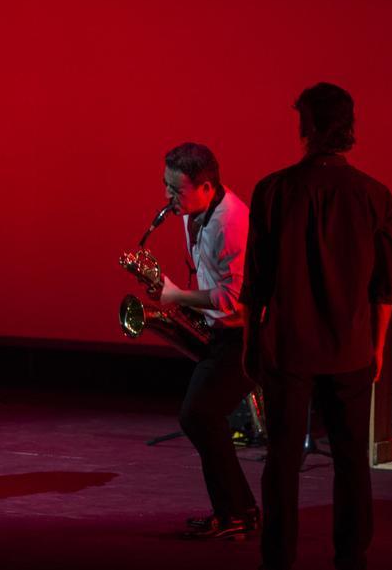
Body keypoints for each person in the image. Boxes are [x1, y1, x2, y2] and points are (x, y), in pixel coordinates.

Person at [242, 83, 392, 570]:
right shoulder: (375, 195)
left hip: (289, 347)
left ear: (306, 127)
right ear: (349, 127)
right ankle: (351, 555)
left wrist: (251, 342)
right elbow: (384, 287)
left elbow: (255, 283)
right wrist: (377, 347)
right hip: (349, 348)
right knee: (352, 459)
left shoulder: (274, 190)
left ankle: (278, 557)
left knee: (282, 459)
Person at [154, 143, 260, 539]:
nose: (168, 197)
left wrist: (178, 297)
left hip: (245, 336)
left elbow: (233, 298)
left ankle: (239, 512)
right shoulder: (193, 213)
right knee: (201, 417)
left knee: (199, 415)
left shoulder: (230, 223)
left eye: (176, 189)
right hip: (221, 332)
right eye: (166, 186)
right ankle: (236, 511)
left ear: (206, 187)